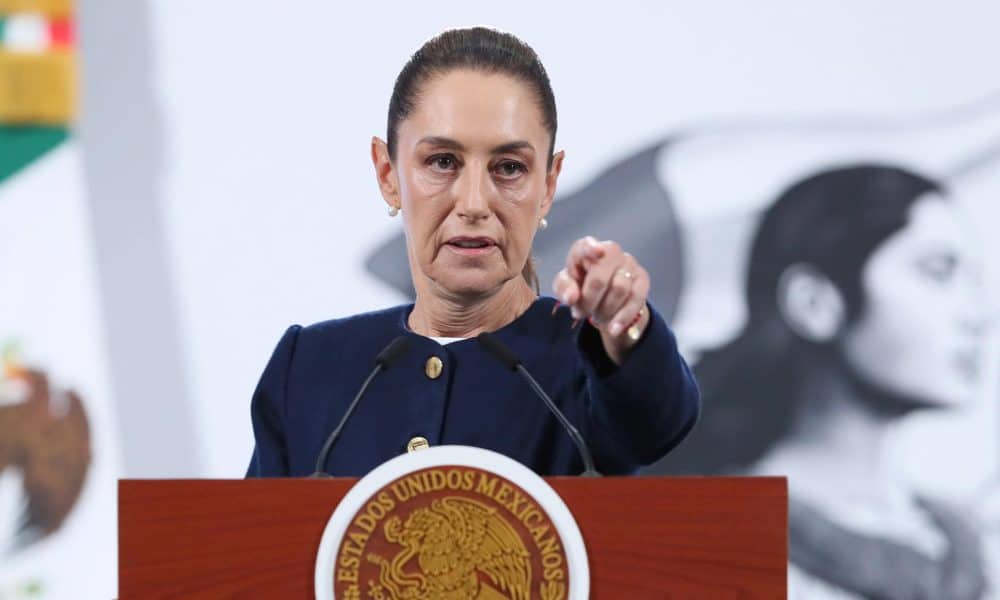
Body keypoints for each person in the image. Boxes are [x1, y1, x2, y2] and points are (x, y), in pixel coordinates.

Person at [244, 27, 700, 478]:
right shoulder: (307, 368)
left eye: (509, 168)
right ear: (388, 174)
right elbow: (252, 545)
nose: (475, 203)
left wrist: (626, 327)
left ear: (548, 185)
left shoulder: (590, 360)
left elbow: (656, 424)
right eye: (442, 162)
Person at [658, 164, 990, 598]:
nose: (978, 315)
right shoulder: (704, 546)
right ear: (814, 302)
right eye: (937, 272)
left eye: (973, 281)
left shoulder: (966, 541)